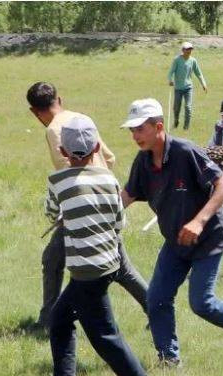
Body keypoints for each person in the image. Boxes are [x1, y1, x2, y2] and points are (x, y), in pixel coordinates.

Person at [119, 98, 223, 366]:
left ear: (159, 126)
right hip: (176, 240)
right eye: (131, 130)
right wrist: (99, 214)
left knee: (201, 302)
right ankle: (168, 359)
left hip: (208, 237)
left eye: (140, 129)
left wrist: (199, 221)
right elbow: (128, 195)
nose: (135, 136)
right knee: (156, 299)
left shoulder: (184, 151)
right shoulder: (143, 162)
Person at [45, 115, 165, 376]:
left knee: (106, 339)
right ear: (97, 146)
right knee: (59, 321)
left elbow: (51, 213)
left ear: (63, 151)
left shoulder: (58, 181)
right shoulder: (109, 179)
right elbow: (119, 221)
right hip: (108, 264)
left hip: (86, 273)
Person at [26, 81, 148, 331]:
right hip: (104, 195)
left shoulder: (53, 130)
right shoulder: (82, 119)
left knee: (54, 260)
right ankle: (156, 307)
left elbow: (68, 172)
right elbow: (110, 158)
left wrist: (74, 201)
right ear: (60, 100)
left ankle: (48, 320)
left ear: (33, 111)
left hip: (81, 203)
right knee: (118, 266)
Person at [167, 42, 207, 130]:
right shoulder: (177, 60)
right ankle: (176, 121)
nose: (189, 51)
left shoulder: (193, 61)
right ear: (183, 50)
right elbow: (171, 72)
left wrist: (203, 83)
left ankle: (186, 127)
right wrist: (170, 80)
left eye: (190, 49)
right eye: (187, 49)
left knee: (188, 107)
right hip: (178, 88)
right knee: (176, 107)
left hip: (188, 88)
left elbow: (198, 73)